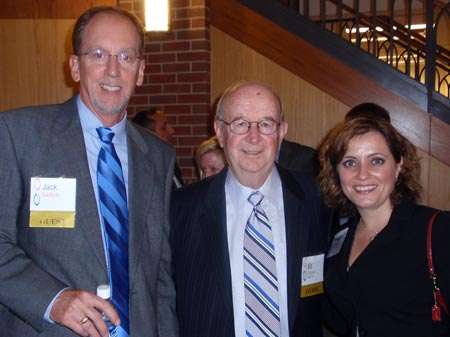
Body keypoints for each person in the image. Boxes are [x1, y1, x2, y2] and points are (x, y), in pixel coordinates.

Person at [0, 6, 178, 337]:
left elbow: (160, 278)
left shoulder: (158, 157)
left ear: (140, 71)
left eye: (126, 57)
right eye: (98, 54)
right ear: (75, 67)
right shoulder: (17, 135)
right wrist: (53, 300)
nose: (113, 70)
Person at [171, 80, 332, 337]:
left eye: (266, 124)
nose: (253, 137)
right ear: (220, 132)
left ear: (281, 133)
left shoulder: (317, 198)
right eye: (240, 123)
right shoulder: (180, 208)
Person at [318, 106, 450, 337]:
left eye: (376, 161)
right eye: (350, 162)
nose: (362, 174)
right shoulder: (341, 236)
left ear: (398, 165)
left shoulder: (437, 230)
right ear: (337, 172)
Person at [133, 107, 184, 188]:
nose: (171, 130)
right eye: (164, 127)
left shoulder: (169, 160)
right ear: (147, 135)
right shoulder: (141, 171)